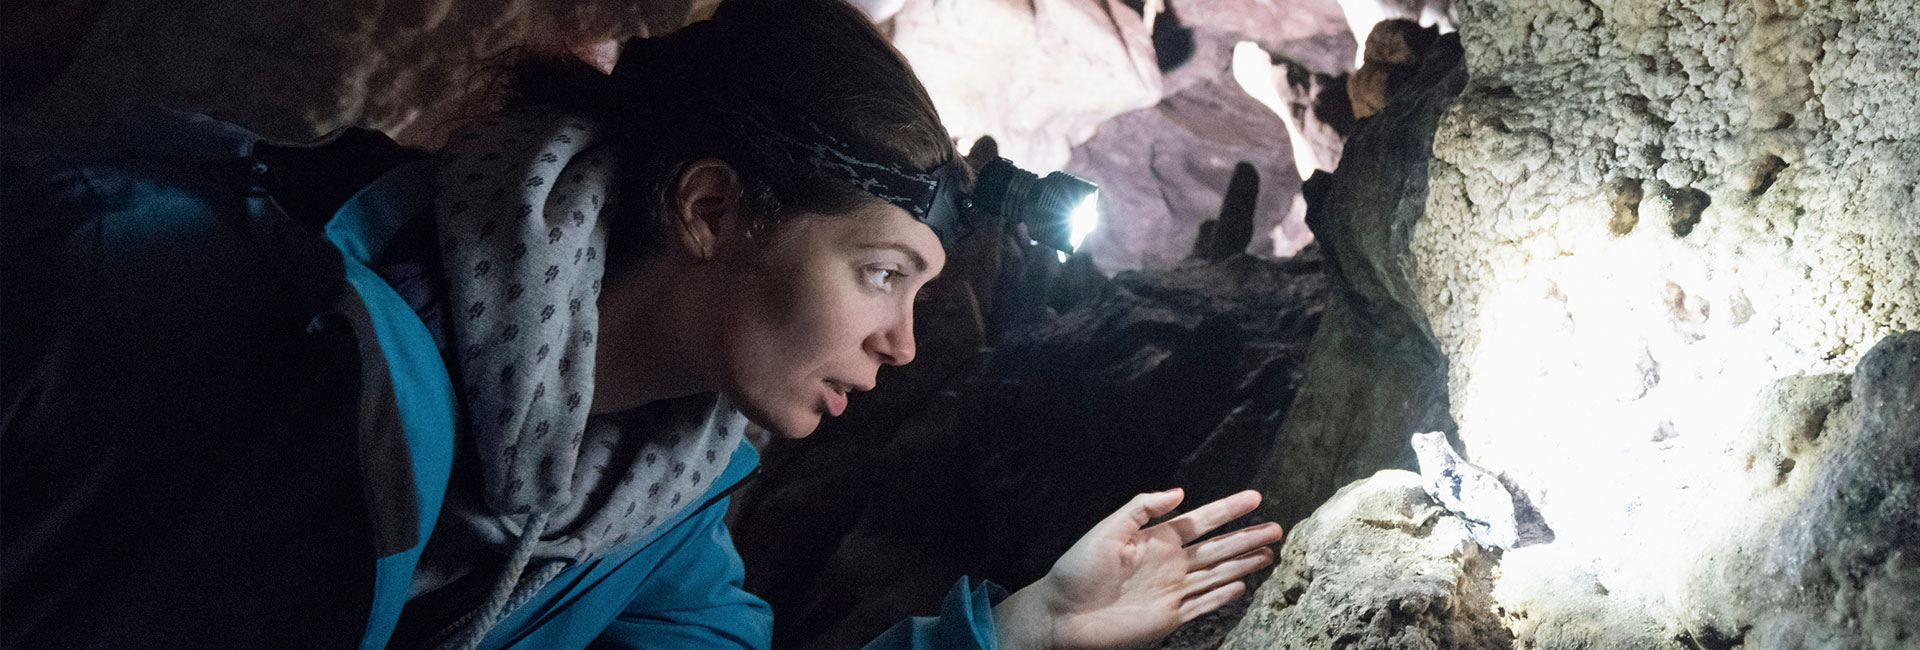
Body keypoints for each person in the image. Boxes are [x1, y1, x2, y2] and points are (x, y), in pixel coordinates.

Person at [0, 0, 1285, 648]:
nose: (905, 343)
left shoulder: (649, 527)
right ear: (715, 208)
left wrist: (1023, 627)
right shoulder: (161, 276)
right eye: (884, 273)